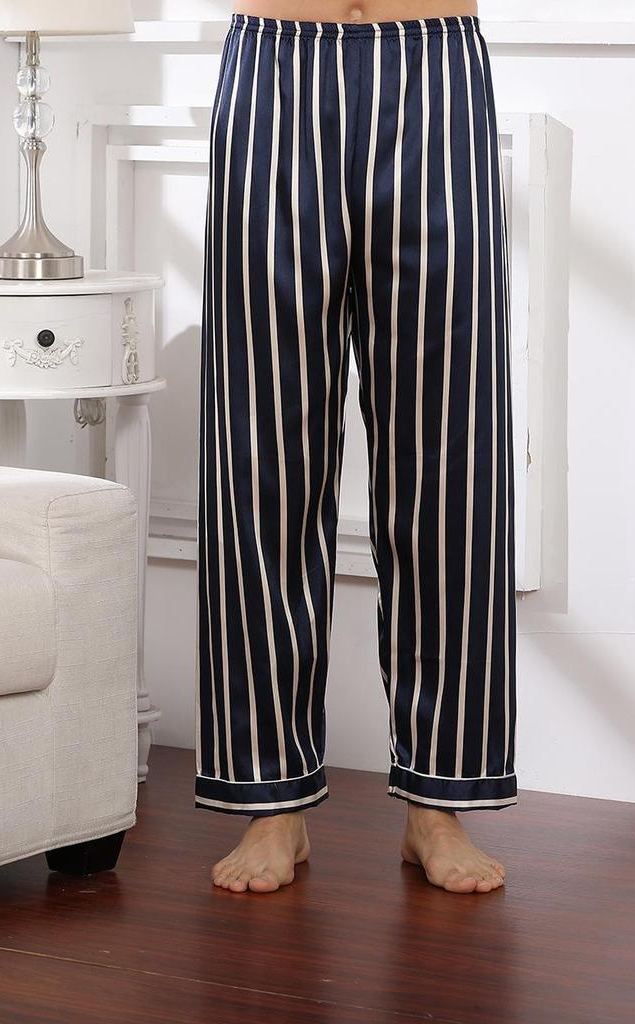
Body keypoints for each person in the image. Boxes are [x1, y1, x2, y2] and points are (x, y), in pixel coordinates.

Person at [197, 0, 516, 894]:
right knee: (261, 450)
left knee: (447, 454)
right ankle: (271, 800)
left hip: (435, 72)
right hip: (272, 71)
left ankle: (438, 801)